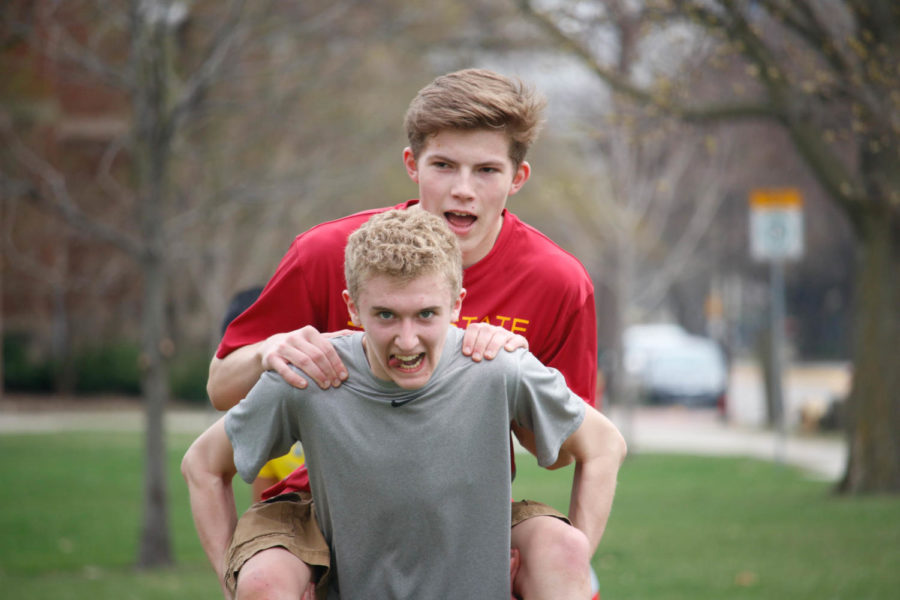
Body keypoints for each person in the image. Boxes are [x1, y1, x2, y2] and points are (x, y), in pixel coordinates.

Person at [208, 68, 604, 598]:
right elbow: (219, 388)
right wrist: (266, 351)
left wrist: (510, 370)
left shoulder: (558, 281)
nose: (463, 190)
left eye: (486, 169)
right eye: (443, 166)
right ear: (412, 164)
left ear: (517, 178)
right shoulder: (329, 254)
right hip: (315, 502)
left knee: (561, 553)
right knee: (265, 581)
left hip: (458, 507)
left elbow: (562, 451)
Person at [183, 209, 626, 599]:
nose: (407, 340)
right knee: (262, 579)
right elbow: (202, 464)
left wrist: (563, 574)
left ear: (457, 306)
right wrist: (233, 582)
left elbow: (604, 444)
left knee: (564, 548)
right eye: (386, 315)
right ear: (352, 308)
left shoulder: (497, 366)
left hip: (473, 572)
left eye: (426, 314)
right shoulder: (313, 374)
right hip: (345, 574)